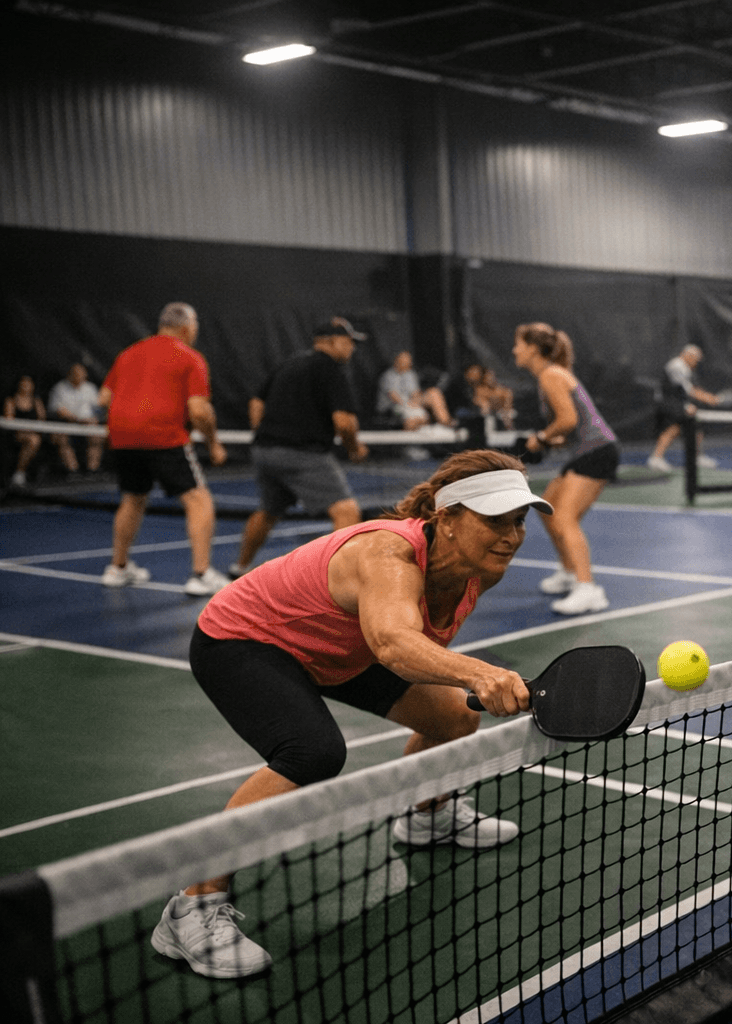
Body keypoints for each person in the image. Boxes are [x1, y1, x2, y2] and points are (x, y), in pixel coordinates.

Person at [151, 450, 547, 980]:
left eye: (519, 522)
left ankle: (427, 816)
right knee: (312, 752)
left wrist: (467, 684)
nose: (511, 536)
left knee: (454, 720)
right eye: (495, 520)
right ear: (446, 519)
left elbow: (399, 644)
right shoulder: (386, 553)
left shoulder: (478, 570)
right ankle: (192, 908)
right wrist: (479, 674)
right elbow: (391, 641)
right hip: (245, 638)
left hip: (341, 647)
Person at [99, 302, 229, 596]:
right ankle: (201, 574)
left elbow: (104, 397)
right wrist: (213, 442)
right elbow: (199, 412)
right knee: (198, 499)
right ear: (187, 328)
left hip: (123, 437)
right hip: (163, 436)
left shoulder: (128, 353)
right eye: (195, 327)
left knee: (133, 498)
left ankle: (117, 568)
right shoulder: (190, 358)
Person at [227, 318, 370, 578]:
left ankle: (239, 568)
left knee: (268, 512)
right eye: (349, 342)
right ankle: (340, 579)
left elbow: (256, 402)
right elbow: (344, 423)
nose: (352, 348)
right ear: (332, 341)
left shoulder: (289, 363)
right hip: (302, 454)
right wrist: (354, 449)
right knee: (346, 511)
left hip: (264, 451)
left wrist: (264, 432)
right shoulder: (331, 369)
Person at [513, 322, 621, 615]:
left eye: (518, 345)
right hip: (588, 450)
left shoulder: (550, 374)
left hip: (597, 451)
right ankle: (569, 573)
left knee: (564, 519)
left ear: (533, 349)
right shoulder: (551, 375)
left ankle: (589, 590)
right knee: (547, 507)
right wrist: (548, 440)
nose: (514, 350)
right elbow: (570, 426)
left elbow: (568, 420)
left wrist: (542, 438)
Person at [648, 344, 721, 472]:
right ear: (688, 355)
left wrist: (693, 402)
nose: (696, 363)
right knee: (675, 428)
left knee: (695, 425)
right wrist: (708, 398)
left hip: (675, 401)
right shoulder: (677, 365)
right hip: (666, 402)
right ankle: (656, 458)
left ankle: (697, 457)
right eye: (695, 360)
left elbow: (683, 392)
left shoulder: (685, 367)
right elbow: (688, 390)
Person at [47, 362, 105, 474]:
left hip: (88, 425)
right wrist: (77, 420)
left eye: (82, 373)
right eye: (77, 373)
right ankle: (73, 471)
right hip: (66, 424)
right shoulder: (60, 388)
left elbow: (98, 408)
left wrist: (95, 419)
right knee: (62, 439)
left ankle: (92, 470)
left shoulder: (90, 388)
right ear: (70, 374)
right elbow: (58, 411)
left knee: (97, 437)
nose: (80, 376)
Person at [377, 351, 452, 433]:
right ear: (397, 361)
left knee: (434, 393)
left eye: (409, 361)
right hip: (392, 408)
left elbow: (415, 394)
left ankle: (446, 424)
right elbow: (395, 398)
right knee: (414, 416)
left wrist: (417, 403)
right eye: (404, 361)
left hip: (409, 404)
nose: (408, 363)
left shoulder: (410, 374)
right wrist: (413, 406)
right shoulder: (387, 376)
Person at [4, 375, 45, 489]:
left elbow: (42, 419)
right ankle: (19, 473)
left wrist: (32, 429)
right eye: (24, 383)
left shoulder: (36, 401)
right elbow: (9, 420)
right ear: (19, 385)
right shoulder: (11, 400)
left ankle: (20, 472)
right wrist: (23, 429)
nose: (26, 386)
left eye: (29, 384)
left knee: (34, 440)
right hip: (15, 434)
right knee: (33, 440)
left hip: (33, 433)